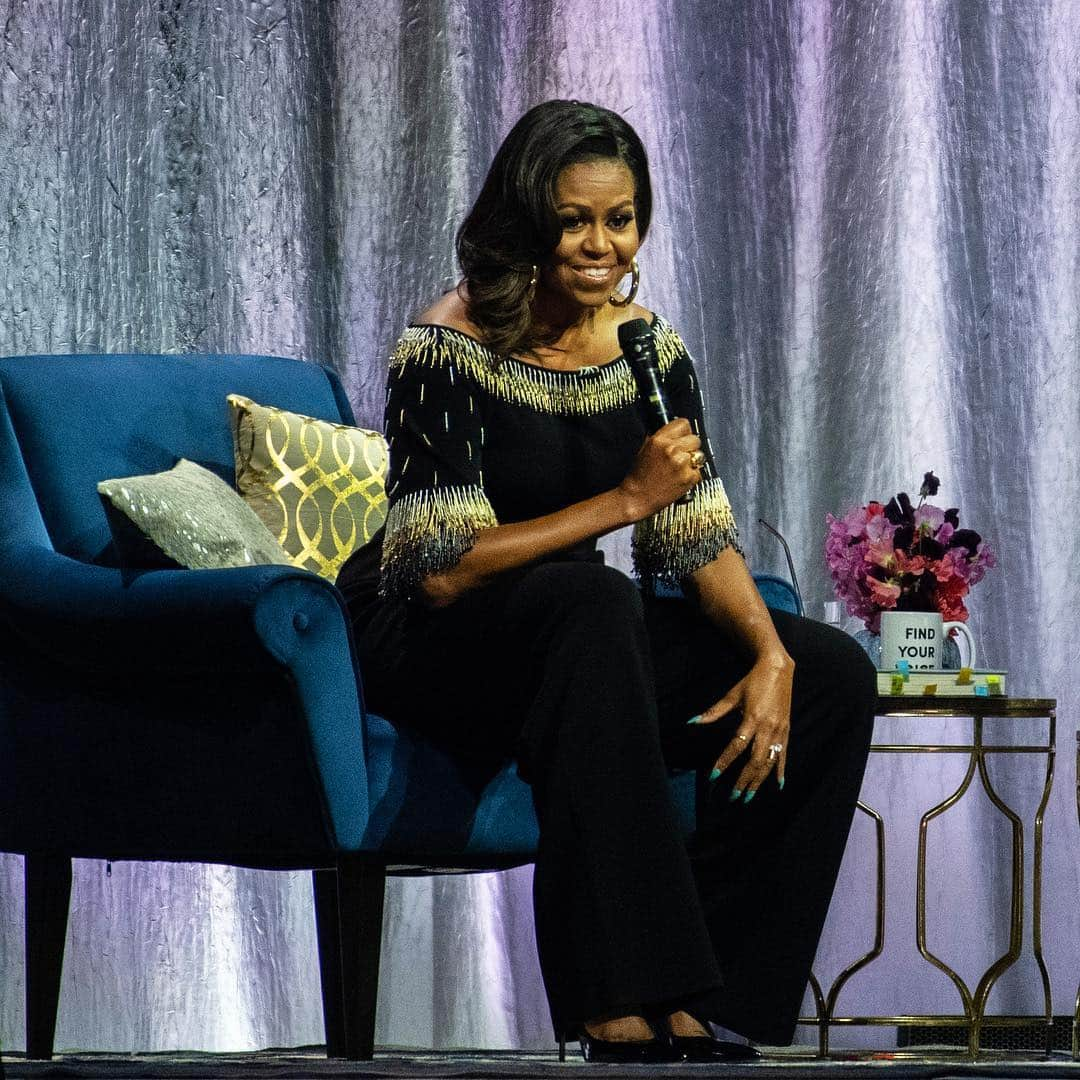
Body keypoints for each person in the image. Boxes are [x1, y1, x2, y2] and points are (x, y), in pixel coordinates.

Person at [340, 99, 876, 1063]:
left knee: (829, 668)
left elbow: (693, 530)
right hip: (431, 645)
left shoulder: (647, 351)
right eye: (574, 218)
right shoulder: (447, 342)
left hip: (574, 646)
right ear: (526, 218)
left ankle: (703, 985)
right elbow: (438, 570)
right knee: (591, 600)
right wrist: (623, 499)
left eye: (620, 218)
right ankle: (614, 995)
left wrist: (768, 654)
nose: (600, 243)